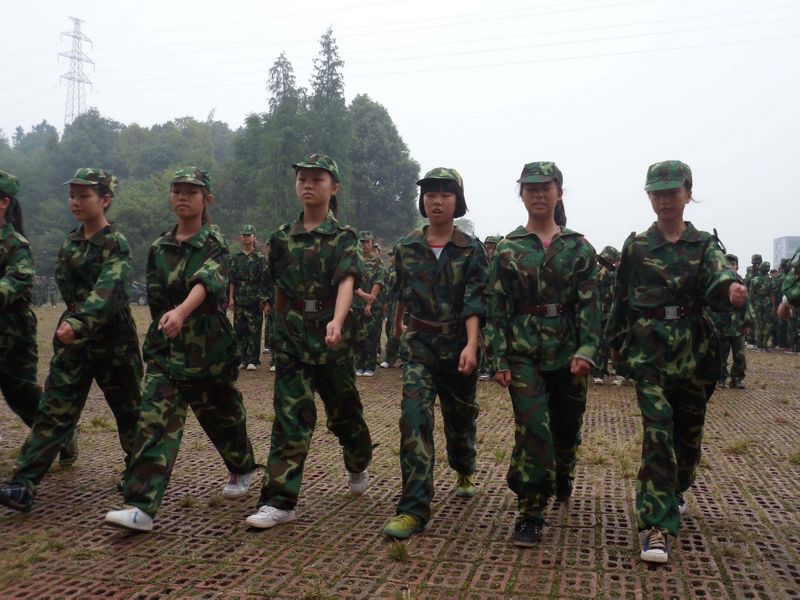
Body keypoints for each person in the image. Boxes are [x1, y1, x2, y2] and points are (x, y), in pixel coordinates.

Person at [606, 160, 747, 564]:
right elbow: (621, 299)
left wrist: (731, 291)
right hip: (649, 352)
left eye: (671, 192)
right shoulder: (637, 247)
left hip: (694, 354)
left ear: (688, 193)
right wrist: (613, 344)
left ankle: (677, 486)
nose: (664, 200)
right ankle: (656, 525)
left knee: (687, 438)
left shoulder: (704, 245)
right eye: (657, 193)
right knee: (658, 437)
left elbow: (719, 277)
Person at [104, 167, 258, 532]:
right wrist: (165, 326)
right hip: (169, 349)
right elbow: (157, 297)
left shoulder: (214, 243)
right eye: (177, 191)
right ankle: (141, 506)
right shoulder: (160, 247)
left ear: (207, 199)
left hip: (208, 348)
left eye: (192, 191)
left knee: (223, 415)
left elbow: (208, 282)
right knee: (153, 421)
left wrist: (182, 312)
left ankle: (242, 465)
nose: (183, 197)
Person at [0, 168, 142, 512]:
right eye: (72, 196)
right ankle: (23, 484)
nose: (76, 202)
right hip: (74, 340)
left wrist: (79, 321)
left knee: (129, 410)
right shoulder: (71, 241)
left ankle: (138, 474)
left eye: (84, 196)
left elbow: (109, 290)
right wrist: (73, 322)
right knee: (54, 409)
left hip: (112, 339)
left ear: (105, 200)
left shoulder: (115, 243)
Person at [245, 153, 373, 530]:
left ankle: (358, 460)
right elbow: (279, 288)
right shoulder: (281, 238)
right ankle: (279, 501)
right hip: (293, 337)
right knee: (291, 418)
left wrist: (337, 320)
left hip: (332, 339)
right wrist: (277, 330)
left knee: (345, 415)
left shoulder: (344, 237)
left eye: (317, 179)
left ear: (334, 188)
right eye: (302, 178)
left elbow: (347, 280)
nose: (308, 185)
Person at [485, 161, 599, 547]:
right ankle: (531, 512)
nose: (538, 194)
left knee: (565, 428)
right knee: (533, 429)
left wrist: (587, 349)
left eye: (546, 187)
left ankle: (562, 469)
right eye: (530, 188)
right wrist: (498, 357)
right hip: (524, 353)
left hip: (569, 353)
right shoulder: (508, 248)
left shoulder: (579, 247)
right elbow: (497, 307)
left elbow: (590, 306)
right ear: (521, 195)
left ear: (559, 193)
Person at [382, 167, 487, 540]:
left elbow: (475, 300)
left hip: (458, 345)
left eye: (445, 194)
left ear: (458, 201)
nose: (436, 201)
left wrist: (471, 345)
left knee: (460, 420)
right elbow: (401, 289)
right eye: (430, 194)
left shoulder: (471, 248)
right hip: (420, 345)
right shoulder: (407, 245)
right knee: (414, 419)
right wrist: (399, 326)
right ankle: (413, 509)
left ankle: (464, 466)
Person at [0, 170, 41, 433]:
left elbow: (18, 278)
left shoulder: (16, 245)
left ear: (4, 202)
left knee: (22, 395)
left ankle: (59, 434)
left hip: (12, 333)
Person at [229, 224, 269, 370]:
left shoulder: (260, 257)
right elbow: (231, 280)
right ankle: (241, 359)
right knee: (239, 330)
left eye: (249, 235)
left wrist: (264, 300)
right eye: (244, 235)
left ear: (254, 237)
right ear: (241, 237)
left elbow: (264, 280)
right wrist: (231, 298)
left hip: (254, 299)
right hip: (239, 298)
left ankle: (253, 360)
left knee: (254, 330)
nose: (246, 237)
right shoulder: (235, 257)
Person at [712, 254, 747, 389]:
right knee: (721, 354)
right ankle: (720, 379)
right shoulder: (718, 284)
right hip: (722, 325)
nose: (731, 267)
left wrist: (748, 322)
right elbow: (711, 305)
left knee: (739, 355)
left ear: (737, 267)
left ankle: (737, 379)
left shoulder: (741, 282)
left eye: (733, 264)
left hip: (738, 326)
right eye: (728, 264)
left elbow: (747, 304)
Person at [353, 231, 385, 377]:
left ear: (372, 243)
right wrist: (363, 296)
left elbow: (379, 282)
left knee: (371, 336)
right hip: (356, 304)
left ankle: (370, 366)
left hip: (373, 306)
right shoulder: (354, 261)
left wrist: (369, 302)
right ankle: (359, 365)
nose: (365, 245)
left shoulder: (377, 262)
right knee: (358, 335)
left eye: (367, 242)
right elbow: (350, 282)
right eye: (362, 242)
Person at [592, 246, 620, 385]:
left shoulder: (614, 274)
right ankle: (597, 371)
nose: (605, 263)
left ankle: (601, 371)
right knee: (597, 343)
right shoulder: (596, 271)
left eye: (608, 261)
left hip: (609, 314)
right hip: (595, 313)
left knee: (606, 343)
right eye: (604, 260)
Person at [478, 235, 501, 381]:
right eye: (488, 247)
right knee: (483, 337)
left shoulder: (501, 262)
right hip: (484, 305)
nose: (490, 250)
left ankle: (495, 368)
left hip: (497, 306)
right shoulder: (480, 263)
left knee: (495, 337)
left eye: (493, 247)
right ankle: (485, 368)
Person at [750, 261, 773, 351]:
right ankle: (765, 344)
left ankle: (759, 345)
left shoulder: (754, 280)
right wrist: (773, 305)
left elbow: (751, 295)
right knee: (766, 323)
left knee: (758, 324)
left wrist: (750, 306)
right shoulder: (770, 280)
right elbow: (772, 294)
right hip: (768, 303)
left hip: (757, 303)